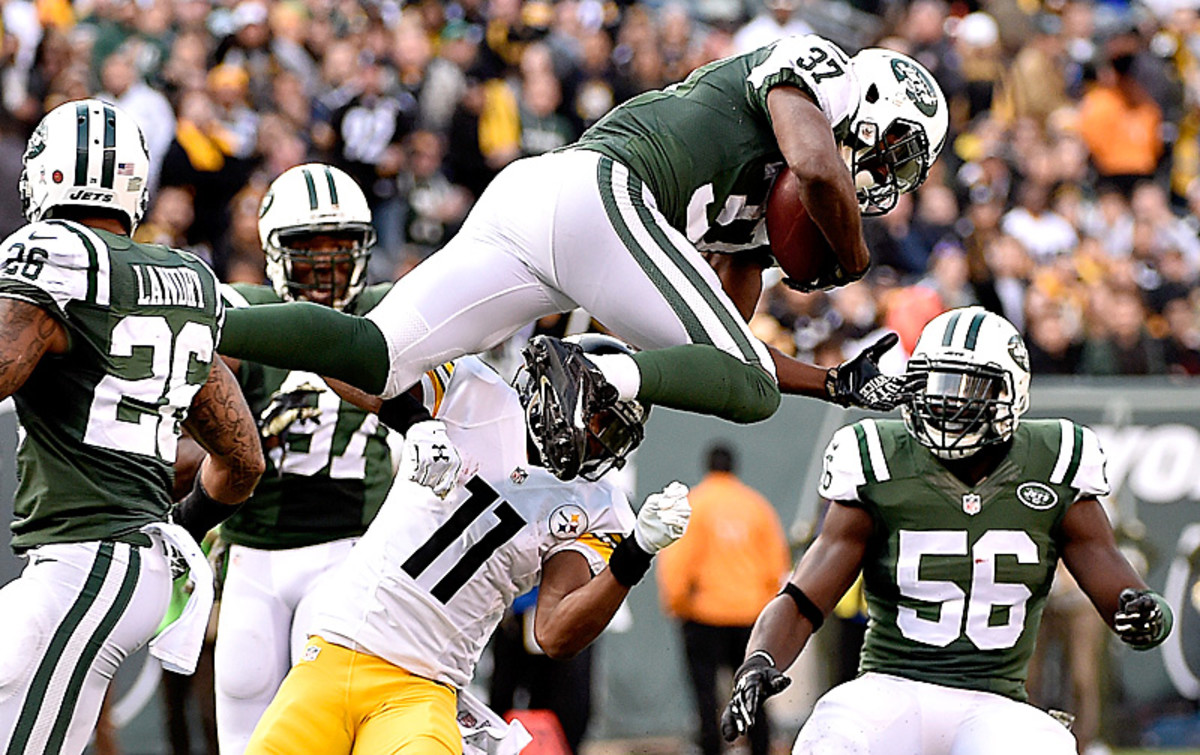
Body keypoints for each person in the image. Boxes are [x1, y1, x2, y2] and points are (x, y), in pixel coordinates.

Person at [215, 35, 950, 479]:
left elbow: (724, 353)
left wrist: (832, 383)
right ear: (870, 99)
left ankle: (205, 308)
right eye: (890, 149)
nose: (884, 173)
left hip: (541, 209)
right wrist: (854, 258)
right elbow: (819, 169)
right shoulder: (817, 67)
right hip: (598, 192)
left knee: (375, 360)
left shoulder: (755, 223)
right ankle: (589, 371)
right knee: (746, 389)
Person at [720, 306, 1173, 755]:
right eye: (934, 384)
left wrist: (1146, 615)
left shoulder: (1054, 458)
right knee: (829, 745)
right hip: (889, 688)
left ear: (1012, 391)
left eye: (967, 387)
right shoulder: (879, 455)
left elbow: (1120, 588)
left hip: (996, 700)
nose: (947, 402)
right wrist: (759, 660)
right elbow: (803, 597)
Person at [242, 335, 691, 754]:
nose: (599, 441)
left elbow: (554, 633)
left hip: (422, 688)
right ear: (561, 391)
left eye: (612, 433)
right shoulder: (474, 393)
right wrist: (415, 422)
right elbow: (340, 359)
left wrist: (635, 555)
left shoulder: (597, 502)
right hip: (336, 650)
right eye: (598, 419)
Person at [0, 99, 265, 754]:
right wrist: (183, 523)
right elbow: (243, 459)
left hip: (87, 560)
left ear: (47, 175)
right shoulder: (182, 276)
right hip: (114, 562)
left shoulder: (52, 252)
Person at [213, 163, 440, 754]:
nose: (322, 266)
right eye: (306, 249)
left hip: (348, 552)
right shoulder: (244, 315)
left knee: (326, 723)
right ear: (271, 251)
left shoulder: (388, 313)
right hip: (253, 550)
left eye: (338, 249)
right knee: (243, 719)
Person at [657, 443, 790, 755]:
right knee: (753, 690)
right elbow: (776, 566)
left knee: (704, 693)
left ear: (707, 467)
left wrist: (677, 605)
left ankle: (710, 747)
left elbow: (677, 563)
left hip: (703, 616)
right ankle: (761, 747)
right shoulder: (756, 505)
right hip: (751, 617)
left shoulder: (696, 504)